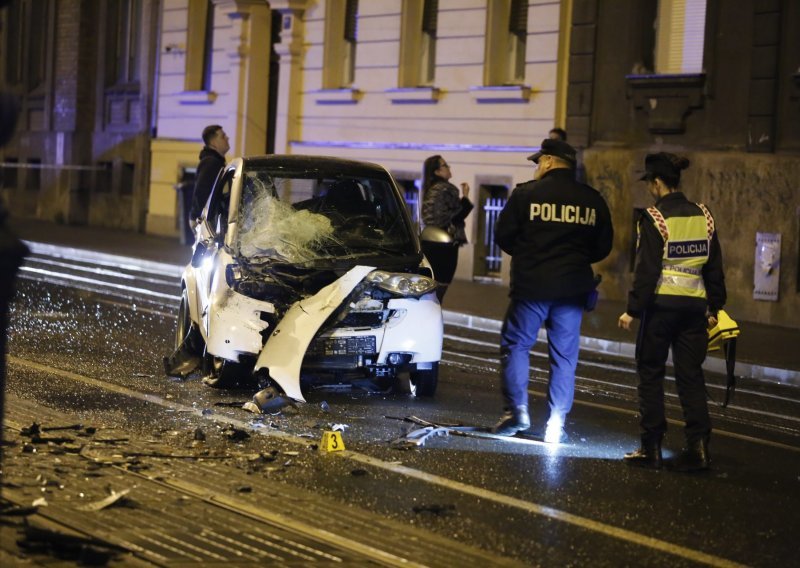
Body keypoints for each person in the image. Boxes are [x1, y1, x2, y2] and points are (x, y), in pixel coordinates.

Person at [492, 139, 613, 442]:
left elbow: (504, 236)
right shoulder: (592, 200)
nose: (536, 168)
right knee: (564, 357)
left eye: (538, 163)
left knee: (516, 345)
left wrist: (530, 251)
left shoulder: (526, 195)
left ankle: (516, 411)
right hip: (572, 291)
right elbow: (602, 246)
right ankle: (556, 423)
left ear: (547, 161)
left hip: (532, 287)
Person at [618, 153, 726, 472]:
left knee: (650, 373)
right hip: (694, 309)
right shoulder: (703, 216)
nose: (650, 189)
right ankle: (699, 448)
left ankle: (651, 447)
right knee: (691, 376)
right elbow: (715, 266)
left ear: (658, 183)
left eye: (650, 183)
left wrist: (632, 310)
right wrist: (715, 306)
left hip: (661, 309)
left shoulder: (654, 218)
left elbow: (647, 270)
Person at [419, 155, 474, 302]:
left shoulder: (430, 189)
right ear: (437, 172)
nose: (449, 168)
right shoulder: (447, 189)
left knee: (428, 289)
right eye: (445, 165)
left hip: (430, 242)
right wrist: (466, 198)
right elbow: (456, 216)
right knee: (439, 290)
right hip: (444, 245)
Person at [189, 124, 230, 223]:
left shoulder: (216, 162)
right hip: (207, 223)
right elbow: (201, 192)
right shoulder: (211, 163)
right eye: (223, 136)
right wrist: (196, 219)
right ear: (213, 142)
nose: (227, 138)